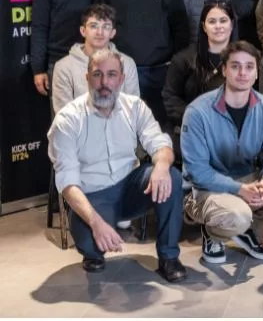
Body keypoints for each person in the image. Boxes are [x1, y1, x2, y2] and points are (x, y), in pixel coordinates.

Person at [47, 49, 186, 282]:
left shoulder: (135, 107)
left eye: (111, 75)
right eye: (97, 74)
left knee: (171, 176)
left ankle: (169, 258)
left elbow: (160, 143)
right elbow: (67, 182)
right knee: (89, 244)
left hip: (131, 186)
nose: (104, 82)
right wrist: (96, 223)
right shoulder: (68, 119)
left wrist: (161, 168)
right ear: (87, 78)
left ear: (121, 79)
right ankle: (94, 252)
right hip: (93, 194)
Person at [182, 41, 263, 264]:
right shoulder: (197, 112)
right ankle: (214, 233)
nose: (243, 73)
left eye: (249, 67)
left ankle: (248, 231)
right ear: (224, 70)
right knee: (238, 215)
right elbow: (198, 172)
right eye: (235, 66)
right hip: (206, 190)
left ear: (256, 73)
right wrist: (239, 190)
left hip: (249, 179)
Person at [94, 0, 190, 126]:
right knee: (121, 126)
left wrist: (177, 66)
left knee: (160, 128)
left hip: (160, 71)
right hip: (120, 70)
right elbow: (99, 28)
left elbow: (180, 25)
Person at [162, 0, 236, 159]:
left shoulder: (244, 59)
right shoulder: (183, 59)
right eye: (212, 21)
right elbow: (170, 98)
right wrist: (199, 120)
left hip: (230, 132)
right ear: (203, 26)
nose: (218, 26)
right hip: (189, 130)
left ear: (232, 24)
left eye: (223, 21)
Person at [52, 4, 139, 114]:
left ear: (112, 33)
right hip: (79, 125)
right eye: (93, 26)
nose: (99, 32)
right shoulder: (63, 67)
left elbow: (132, 109)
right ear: (83, 31)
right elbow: (64, 115)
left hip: (119, 124)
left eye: (106, 27)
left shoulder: (127, 63)